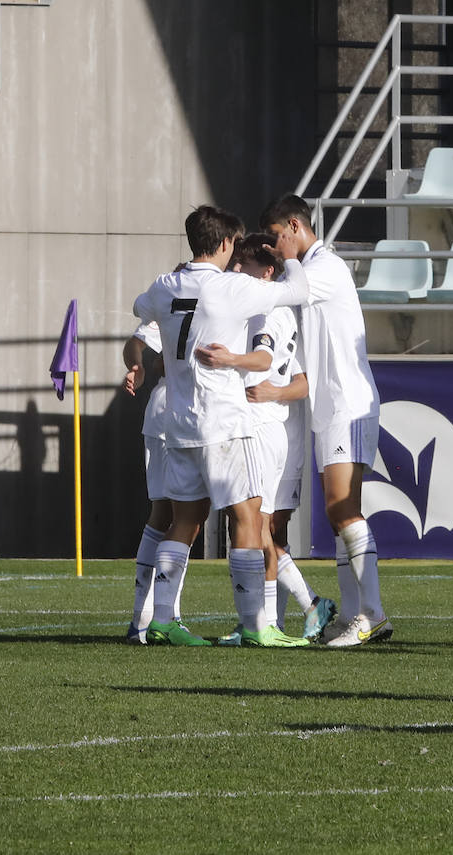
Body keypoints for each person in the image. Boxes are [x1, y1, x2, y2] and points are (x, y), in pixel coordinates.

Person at [132, 205, 313, 648]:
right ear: (227, 243)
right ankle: (256, 625)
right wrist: (288, 254)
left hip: (179, 424)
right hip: (226, 424)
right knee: (248, 518)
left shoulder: (165, 286)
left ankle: (161, 619)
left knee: (184, 520)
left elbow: (140, 308)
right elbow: (301, 290)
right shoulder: (233, 288)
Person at [261, 195, 391, 646]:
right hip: (330, 407)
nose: (276, 250)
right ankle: (353, 613)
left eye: (277, 238)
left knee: (342, 508)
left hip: (347, 403)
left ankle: (371, 613)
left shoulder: (324, 267)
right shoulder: (309, 267)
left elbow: (290, 289)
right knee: (338, 515)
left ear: (295, 226)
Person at [206, 234, 337, 645]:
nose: (234, 273)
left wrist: (236, 366)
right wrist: (276, 391)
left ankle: (306, 605)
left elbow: (268, 364)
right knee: (266, 531)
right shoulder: (277, 312)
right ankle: (265, 622)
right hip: (275, 429)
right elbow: (299, 380)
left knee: (255, 529)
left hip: (262, 429)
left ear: (265, 272)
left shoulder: (263, 314)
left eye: (241, 267)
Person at [122, 323, 204, 645]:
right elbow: (144, 351)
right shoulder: (203, 293)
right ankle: (164, 618)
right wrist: (140, 365)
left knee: (164, 516)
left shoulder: (167, 292)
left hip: (163, 410)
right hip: (183, 413)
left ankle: (141, 622)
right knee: (185, 519)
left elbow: (135, 344)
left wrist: (135, 366)